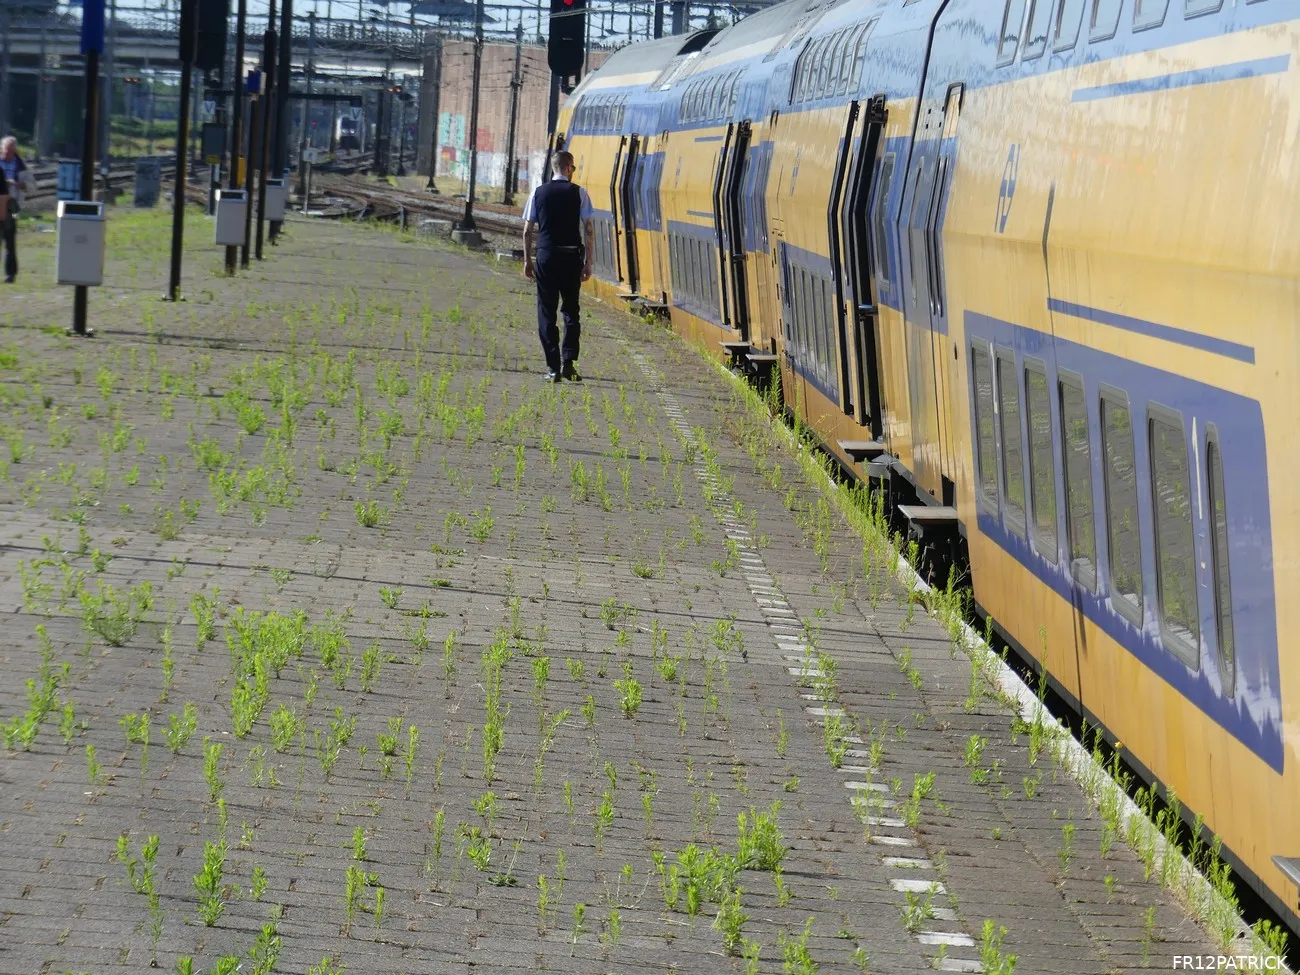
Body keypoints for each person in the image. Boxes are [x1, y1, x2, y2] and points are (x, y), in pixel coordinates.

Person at [521, 150, 594, 383]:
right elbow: (589, 230)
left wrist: (527, 260)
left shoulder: (537, 192)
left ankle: (553, 369)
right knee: (571, 311)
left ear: (553, 168)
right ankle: (569, 364)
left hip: (546, 257)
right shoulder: (580, 193)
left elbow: (527, 230)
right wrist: (588, 263)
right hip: (571, 257)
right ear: (569, 168)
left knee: (546, 313)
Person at [0, 137, 27, 284]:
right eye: (7, 150)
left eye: (12, 151)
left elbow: (32, 185)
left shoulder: (20, 164)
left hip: (12, 204)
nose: (9, 154)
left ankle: (11, 274)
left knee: (10, 240)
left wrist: (21, 184)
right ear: (1, 149)